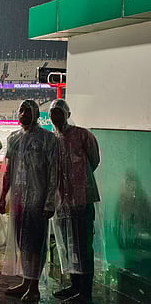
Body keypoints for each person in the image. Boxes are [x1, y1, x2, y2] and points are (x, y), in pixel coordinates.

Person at [0, 99, 57, 302]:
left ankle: (34, 286)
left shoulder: (48, 139)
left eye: (27, 110)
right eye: (20, 109)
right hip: (19, 199)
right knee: (22, 241)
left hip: (38, 199)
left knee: (35, 243)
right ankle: (25, 280)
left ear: (36, 114)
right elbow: (9, 170)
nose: (22, 113)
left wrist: (50, 201)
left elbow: (53, 173)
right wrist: (2, 196)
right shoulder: (14, 138)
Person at [49, 99, 101, 304]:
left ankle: (85, 292)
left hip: (82, 200)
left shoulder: (82, 135)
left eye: (59, 113)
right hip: (63, 202)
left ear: (67, 115)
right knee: (70, 245)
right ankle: (74, 285)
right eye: (53, 114)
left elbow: (94, 160)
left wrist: (79, 184)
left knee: (83, 245)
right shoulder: (53, 139)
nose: (55, 117)